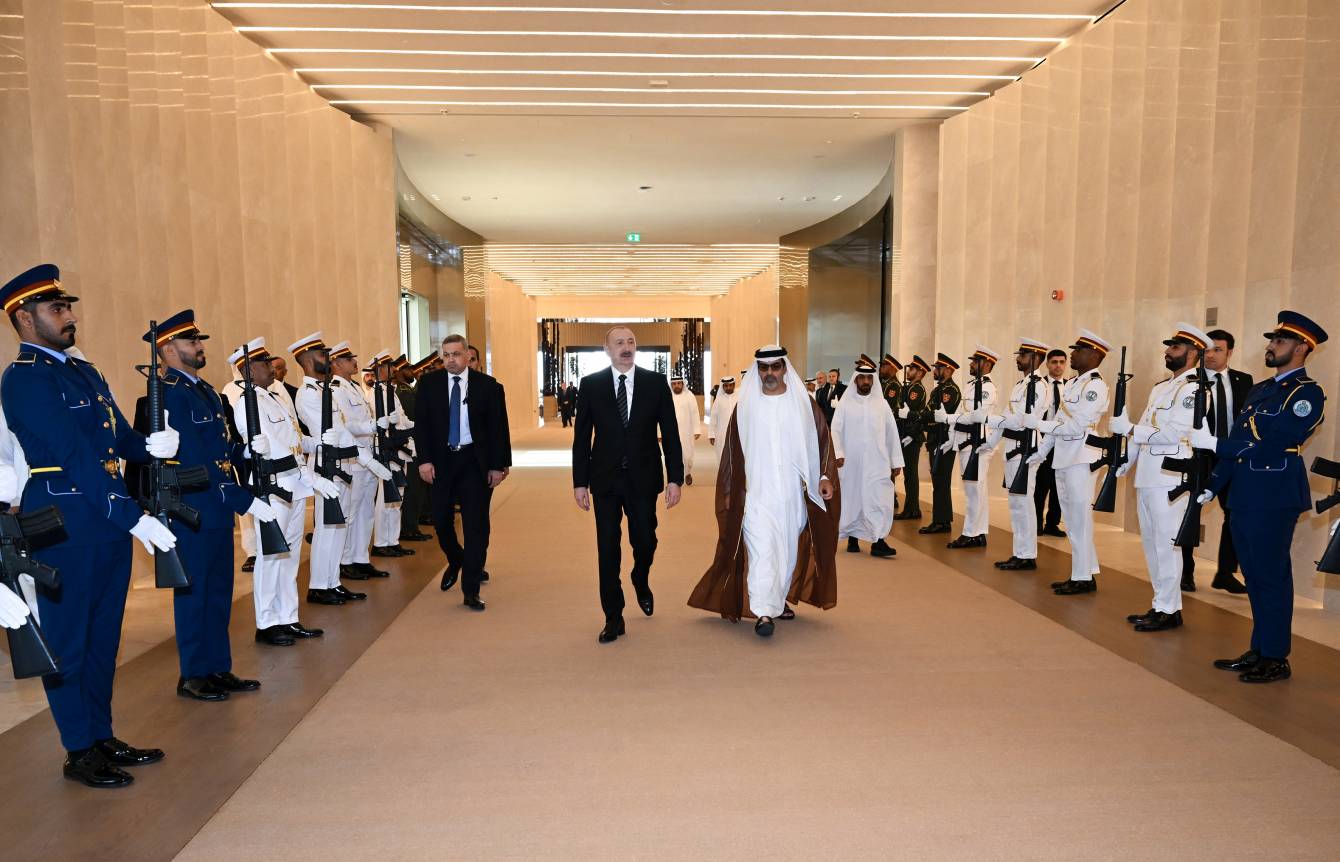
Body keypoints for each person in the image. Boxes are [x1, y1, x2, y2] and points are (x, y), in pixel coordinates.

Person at [1, 264, 179, 788]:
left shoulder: (83, 370)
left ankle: (101, 735)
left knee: (104, 639)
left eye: (68, 306)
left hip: (104, 521)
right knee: (68, 642)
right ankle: (78, 749)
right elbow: (74, 455)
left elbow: (115, 436)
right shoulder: (25, 378)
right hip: (63, 524)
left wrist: (149, 446)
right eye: (57, 308)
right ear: (24, 318)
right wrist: (132, 515)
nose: (69, 316)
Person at [130, 310, 276, 701]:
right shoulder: (168, 394)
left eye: (199, 340)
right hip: (190, 508)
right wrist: (242, 498)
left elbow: (221, 450)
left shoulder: (207, 392)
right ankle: (193, 673)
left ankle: (217, 667)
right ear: (167, 349)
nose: (199, 346)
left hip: (216, 507)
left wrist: (246, 452)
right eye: (191, 341)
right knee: (194, 594)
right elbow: (194, 461)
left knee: (219, 592)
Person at [1201, 311, 1327, 683]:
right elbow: (1241, 440)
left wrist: (1217, 445)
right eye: (1272, 340)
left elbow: (1276, 442)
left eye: (1279, 341)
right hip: (1244, 494)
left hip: (1273, 495)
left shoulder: (1307, 393)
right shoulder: (1260, 389)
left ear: (1301, 347)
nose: (1270, 346)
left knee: (1271, 576)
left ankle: (1275, 656)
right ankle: (1260, 648)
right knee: (1254, 576)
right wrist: (1213, 485)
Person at [688, 345, 838, 637]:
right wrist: (730, 488)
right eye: (764, 367)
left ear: (784, 369)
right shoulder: (746, 405)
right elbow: (732, 452)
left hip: (792, 495)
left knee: (786, 551)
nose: (770, 373)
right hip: (755, 493)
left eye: (775, 367)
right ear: (757, 370)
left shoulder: (803, 403)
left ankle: (777, 599)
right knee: (761, 550)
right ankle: (764, 612)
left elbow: (822, 440)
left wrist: (824, 476)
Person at [571, 326, 682, 643]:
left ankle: (640, 576)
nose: (626, 347)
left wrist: (675, 478)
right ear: (607, 349)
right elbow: (582, 437)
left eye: (631, 341)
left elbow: (670, 433)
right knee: (607, 548)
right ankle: (613, 615)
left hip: (643, 478)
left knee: (645, 540)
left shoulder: (655, 383)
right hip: (604, 478)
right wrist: (580, 482)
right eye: (619, 342)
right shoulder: (591, 385)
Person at [229, 339, 338, 647]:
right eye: (264, 363)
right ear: (249, 370)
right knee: (270, 556)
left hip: (294, 485)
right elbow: (271, 449)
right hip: (274, 486)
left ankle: (288, 617)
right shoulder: (247, 403)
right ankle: (266, 622)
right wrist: (310, 475)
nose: (271, 367)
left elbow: (293, 440)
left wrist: (317, 443)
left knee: (289, 555)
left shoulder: (275, 397)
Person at [1109, 323, 1212, 631]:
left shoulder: (1194, 390)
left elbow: (1172, 434)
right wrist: (1128, 460)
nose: (1167, 351)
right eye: (1168, 346)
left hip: (1170, 477)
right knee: (1152, 544)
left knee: (1167, 545)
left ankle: (1169, 609)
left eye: (1175, 347)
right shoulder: (1161, 387)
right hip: (1148, 475)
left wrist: (1129, 429)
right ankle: (1161, 604)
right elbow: (1145, 428)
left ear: (1192, 353)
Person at [415, 333, 512, 612]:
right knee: (441, 521)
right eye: (446, 355)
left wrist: (499, 465)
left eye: (456, 354)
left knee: (475, 524)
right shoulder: (429, 384)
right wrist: (424, 461)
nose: (451, 360)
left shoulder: (488, 386)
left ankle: (470, 589)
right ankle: (457, 558)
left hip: (474, 462)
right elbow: (421, 426)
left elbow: (499, 428)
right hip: (441, 462)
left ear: (468, 355)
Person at [1024, 330, 1111, 596]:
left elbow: (1075, 426)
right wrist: (1042, 451)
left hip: (1081, 458)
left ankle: (1082, 577)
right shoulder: (1073, 383)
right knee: (1073, 519)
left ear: (1094, 355)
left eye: (1078, 351)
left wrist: (1038, 424)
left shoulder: (1095, 386)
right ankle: (1085, 572)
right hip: (1064, 457)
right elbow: (1060, 422)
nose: (1072, 354)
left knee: (1079, 519)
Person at [292, 333, 371, 606]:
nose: (327, 358)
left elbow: (344, 427)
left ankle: (332, 581)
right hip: (325, 464)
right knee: (327, 527)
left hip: (342, 461)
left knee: (340, 524)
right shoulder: (308, 394)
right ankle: (318, 585)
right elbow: (334, 431)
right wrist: (365, 457)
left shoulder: (325, 389)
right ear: (306, 360)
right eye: (320, 354)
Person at [1183, 328, 1253, 594]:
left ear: (1230, 352)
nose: (1211, 355)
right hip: (1198, 456)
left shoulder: (1244, 381)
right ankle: (1186, 572)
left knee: (1235, 513)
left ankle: (1225, 572)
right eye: (1207, 350)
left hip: (1231, 457)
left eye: (1218, 350)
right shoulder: (1190, 380)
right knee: (1191, 513)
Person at [984, 339, 1048, 570]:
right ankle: (1019, 552)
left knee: (1024, 503)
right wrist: (990, 442)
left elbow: (1019, 420)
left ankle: (1027, 554)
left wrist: (989, 419)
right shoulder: (1021, 385)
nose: (1018, 359)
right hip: (1013, 448)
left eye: (1022, 355)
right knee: (1015, 503)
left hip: (1025, 448)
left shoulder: (1039, 386)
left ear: (1035, 358)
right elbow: (1007, 414)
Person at [833, 358, 902, 558]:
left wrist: (896, 461)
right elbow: (835, 430)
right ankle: (853, 537)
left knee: (879, 499)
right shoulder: (845, 404)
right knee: (853, 499)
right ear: (855, 380)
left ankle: (878, 541)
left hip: (877, 462)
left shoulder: (882, 405)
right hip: (851, 463)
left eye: (868, 378)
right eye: (861, 378)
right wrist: (838, 453)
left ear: (873, 380)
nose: (865, 381)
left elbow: (891, 433)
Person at [947, 346, 999, 549]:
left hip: (976, 444)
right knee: (977, 490)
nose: (970, 364)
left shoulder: (987, 388)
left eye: (975, 362)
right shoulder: (971, 385)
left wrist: (950, 418)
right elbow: (964, 411)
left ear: (986, 364)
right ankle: (979, 532)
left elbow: (975, 416)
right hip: (966, 442)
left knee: (973, 491)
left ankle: (970, 533)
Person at [920, 353, 962, 535]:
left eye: (938, 368)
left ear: (948, 370)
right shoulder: (937, 390)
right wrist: (928, 416)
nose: (935, 371)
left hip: (945, 441)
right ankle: (942, 519)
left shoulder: (951, 391)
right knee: (938, 481)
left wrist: (929, 416)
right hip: (934, 440)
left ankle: (941, 521)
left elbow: (941, 415)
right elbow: (928, 412)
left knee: (942, 482)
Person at [397, 356, 432, 544]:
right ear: (400, 371)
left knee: (417, 489)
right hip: (410, 444)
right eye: (408, 369)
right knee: (413, 489)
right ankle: (409, 528)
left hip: (414, 443)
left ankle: (412, 525)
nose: (412, 372)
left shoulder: (407, 390)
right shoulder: (403, 391)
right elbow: (413, 417)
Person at [1033, 349, 1068, 538]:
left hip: (1062, 443)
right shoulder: (1041, 386)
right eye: (1054, 362)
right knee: (1040, 485)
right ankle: (1036, 523)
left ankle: (1052, 523)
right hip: (1042, 441)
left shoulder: (1070, 386)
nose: (1058, 366)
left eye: (1062, 362)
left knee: (1058, 486)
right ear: (1047, 364)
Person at [894, 355, 931, 521]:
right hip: (906, 434)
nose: (909, 371)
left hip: (912, 436)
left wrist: (910, 435)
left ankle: (913, 509)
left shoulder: (917, 389)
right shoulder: (909, 387)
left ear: (920, 372)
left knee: (911, 474)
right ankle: (911, 508)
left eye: (912, 369)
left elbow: (915, 415)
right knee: (908, 475)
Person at [669, 375, 702, 486]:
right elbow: (662, 415)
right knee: (673, 455)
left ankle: (687, 472)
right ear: (671, 385)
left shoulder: (689, 396)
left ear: (682, 384)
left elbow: (695, 413)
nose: (676, 386)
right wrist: (660, 433)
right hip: (671, 432)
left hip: (687, 431)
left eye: (679, 383)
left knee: (687, 456)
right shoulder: (667, 396)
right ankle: (676, 477)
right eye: (674, 384)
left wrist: (696, 429)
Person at [708, 376, 737, 459]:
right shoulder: (718, 400)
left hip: (736, 433)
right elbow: (713, 418)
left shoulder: (739, 397)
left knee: (736, 456)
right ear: (723, 386)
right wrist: (711, 434)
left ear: (734, 385)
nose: (728, 388)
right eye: (726, 386)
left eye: (730, 385)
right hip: (722, 433)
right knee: (722, 455)